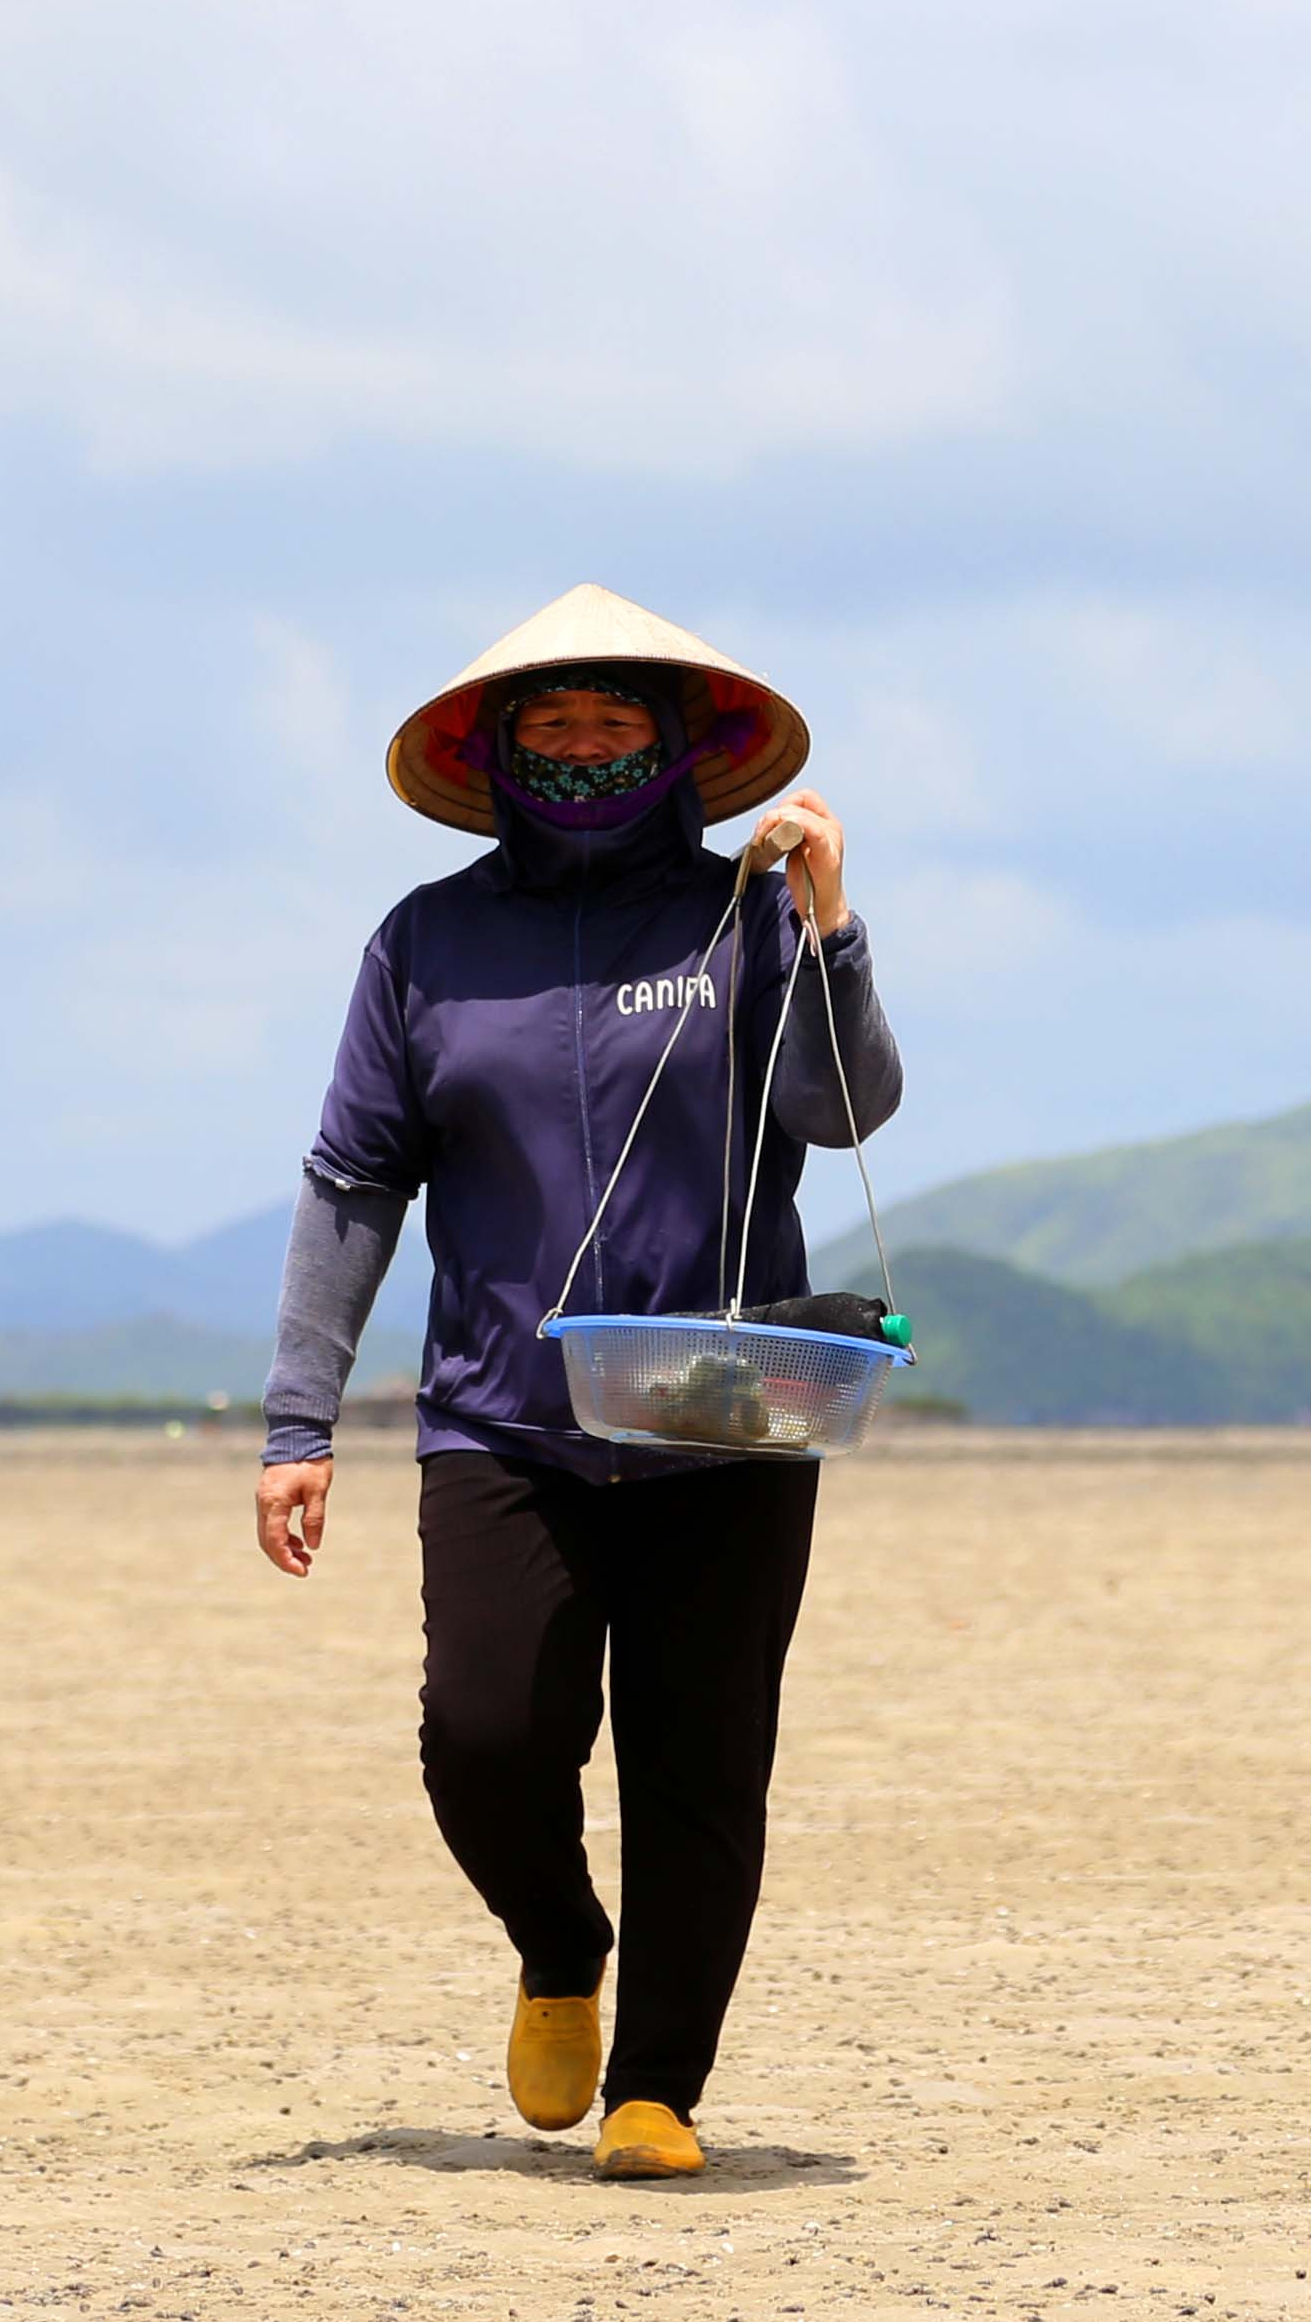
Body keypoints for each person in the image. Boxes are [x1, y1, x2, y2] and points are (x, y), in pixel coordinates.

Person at [252, 587, 904, 2181]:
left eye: (618, 720)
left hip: (728, 1409)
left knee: (700, 1757)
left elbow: (847, 1107)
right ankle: (560, 1947)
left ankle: (656, 2089)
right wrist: (298, 1420)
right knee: (485, 1735)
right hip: (503, 1414)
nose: (586, 745)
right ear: (497, 748)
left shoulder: (740, 913)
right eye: (552, 722)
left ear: (681, 744)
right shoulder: (426, 943)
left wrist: (829, 922)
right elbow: (353, 1183)